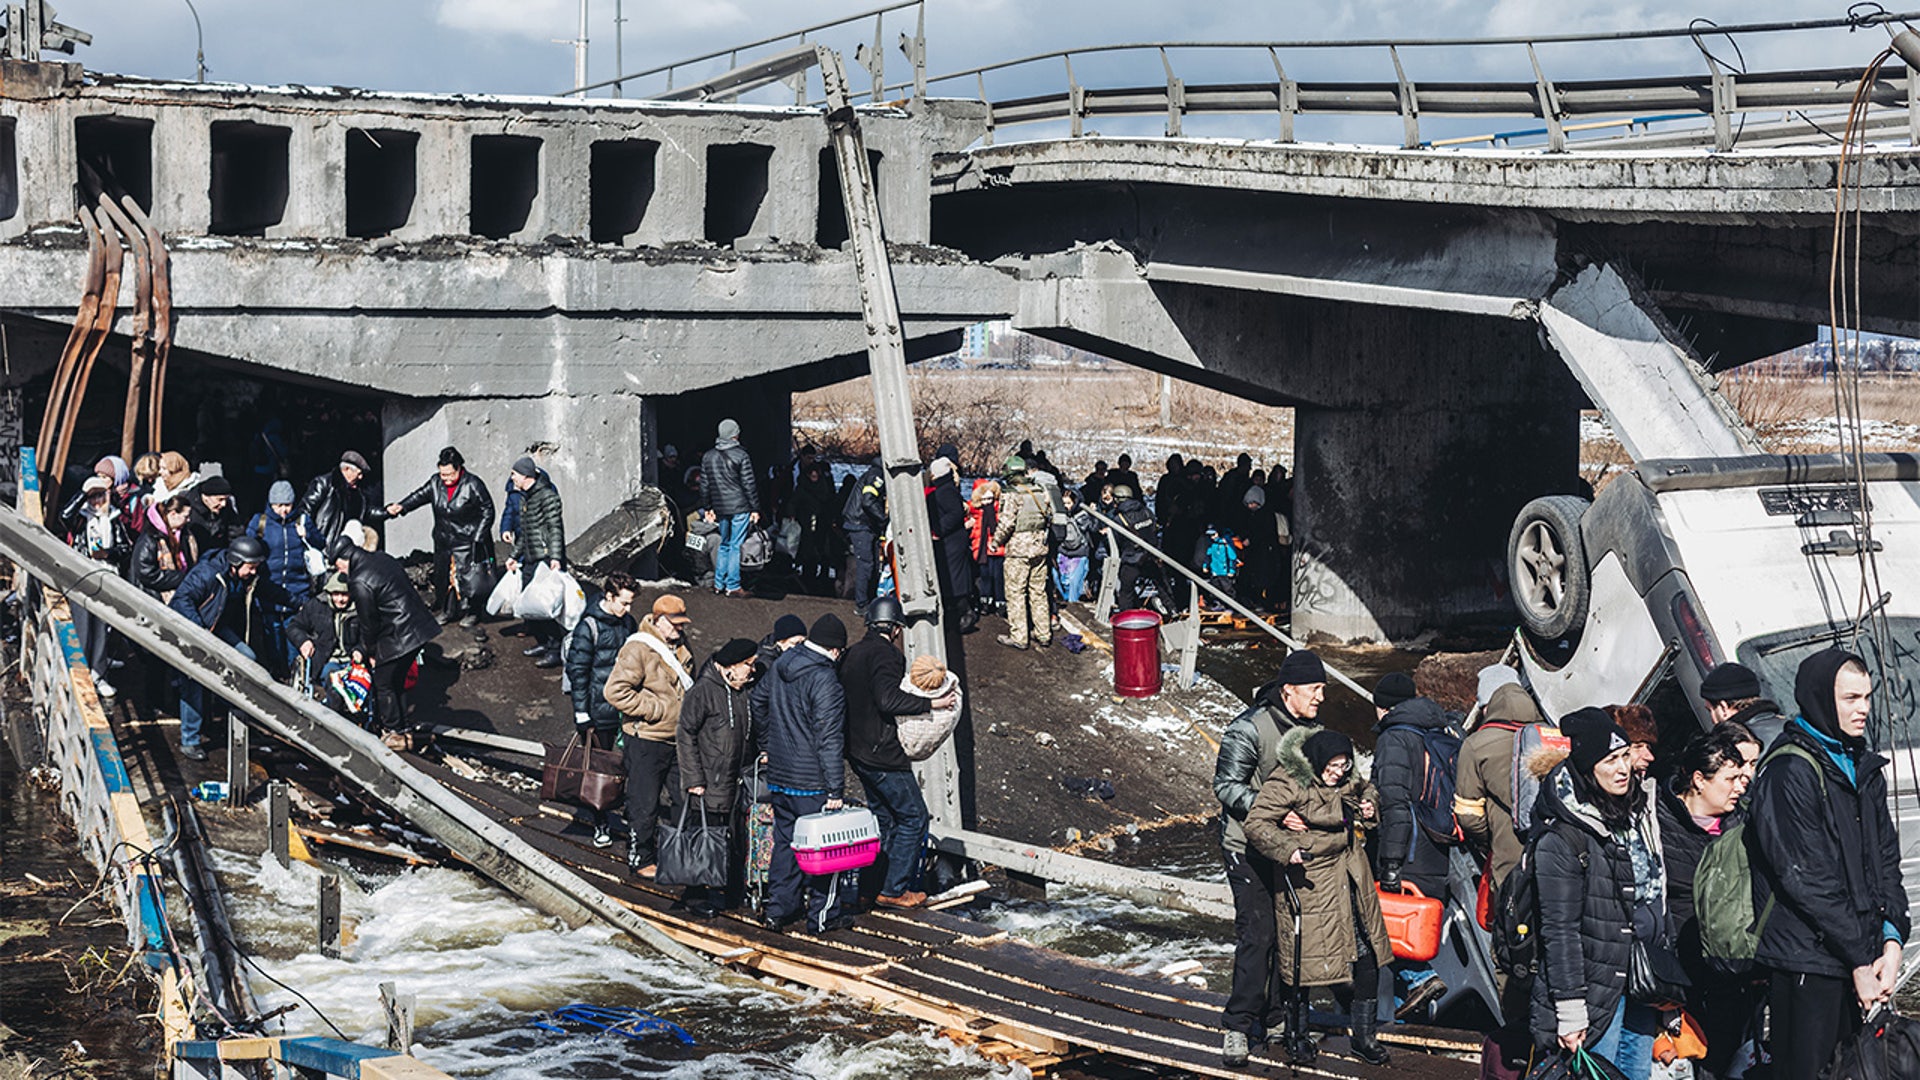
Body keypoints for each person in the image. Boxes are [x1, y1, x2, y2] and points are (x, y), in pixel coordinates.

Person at [1749, 649, 1908, 1077]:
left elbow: (1886, 862)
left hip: (1864, 955)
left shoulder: (1862, 765)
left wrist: (1891, 940)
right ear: (1821, 698)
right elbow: (1805, 878)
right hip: (1809, 960)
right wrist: (1859, 960)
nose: (1864, 709)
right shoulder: (1789, 769)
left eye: (1868, 697)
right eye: (1851, 698)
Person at [1244, 727, 1393, 1067]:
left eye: (1343, 766)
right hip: (1309, 881)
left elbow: (1366, 787)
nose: (1337, 772)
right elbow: (1256, 824)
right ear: (1316, 761)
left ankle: (1364, 1038)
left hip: (1350, 879)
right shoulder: (1288, 782)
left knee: (1367, 957)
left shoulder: (1346, 780)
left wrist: (1370, 804)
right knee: (1303, 965)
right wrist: (1287, 849)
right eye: (1333, 766)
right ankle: (1297, 1035)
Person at [1528, 708, 1664, 1080]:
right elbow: (1560, 930)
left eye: (1624, 757)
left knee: (1634, 1073)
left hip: (1637, 975)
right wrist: (1570, 1011)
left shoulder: (1632, 814)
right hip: (1592, 989)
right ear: (1588, 768)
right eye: (1610, 760)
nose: (1622, 769)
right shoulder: (1561, 836)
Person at [1211, 648, 1326, 1065]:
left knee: (1290, 935)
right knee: (1256, 937)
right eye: (1314, 689)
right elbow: (1225, 787)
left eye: (1322, 690)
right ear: (1289, 689)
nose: (1320, 698)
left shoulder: (1315, 731)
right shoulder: (1249, 729)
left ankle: (1278, 1017)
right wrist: (1276, 809)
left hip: (1291, 849)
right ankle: (1238, 1025)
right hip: (1246, 847)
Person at [840, 597, 957, 909]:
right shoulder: (886, 655)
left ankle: (869, 888)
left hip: (857, 751)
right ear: (894, 629)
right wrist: (931, 704)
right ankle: (893, 889)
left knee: (884, 819)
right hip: (883, 754)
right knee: (914, 817)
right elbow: (888, 700)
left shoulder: (853, 652)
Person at [1655, 725, 1754, 1080]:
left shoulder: (1742, 821)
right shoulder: (1658, 823)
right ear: (1699, 780)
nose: (1740, 786)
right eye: (1730, 779)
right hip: (1681, 975)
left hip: (1737, 973)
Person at [1368, 671, 1457, 1018]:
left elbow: (1395, 805)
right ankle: (1413, 1013)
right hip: (1438, 848)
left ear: (1383, 707)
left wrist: (1390, 862)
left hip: (1407, 850)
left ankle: (1420, 979)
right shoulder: (1441, 731)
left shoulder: (1395, 738)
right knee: (1415, 931)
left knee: (1383, 923)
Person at [758, 613, 853, 934]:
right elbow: (829, 738)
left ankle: (777, 910)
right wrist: (836, 789)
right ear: (836, 650)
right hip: (811, 780)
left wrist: (767, 743)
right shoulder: (825, 680)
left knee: (785, 842)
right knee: (824, 849)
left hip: (780, 774)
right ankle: (823, 917)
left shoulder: (782, 664)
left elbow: (758, 702)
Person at [169, 537, 288, 760]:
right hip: (196, 633)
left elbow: (269, 591)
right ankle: (190, 740)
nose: (253, 572)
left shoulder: (246, 578)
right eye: (251, 567)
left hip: (218, 628)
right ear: (236, 561)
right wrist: (199, 630)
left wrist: (298, 601)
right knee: (193, 683)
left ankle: (227, 713)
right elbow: (182, 599)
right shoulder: (206, 573)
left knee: (247, 658)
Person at [603, 594, 694, 879]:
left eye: (682, 624)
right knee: (645, 803)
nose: (680, 629)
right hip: (646, 738)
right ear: (658, 620)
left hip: (677, 737)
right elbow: (614, 691)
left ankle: (677, 855)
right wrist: (654, 710)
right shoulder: (638, 648)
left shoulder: (681, 646)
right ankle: (640, 857)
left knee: (683, 800)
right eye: (675, 624)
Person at [676, 636, 760, 917]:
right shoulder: (703, 691)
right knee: (703, 837)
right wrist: (693, 779)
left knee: (732, 837)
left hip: (735, 778)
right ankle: (695, 894)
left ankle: (729, 889)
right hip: (708, 779)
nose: (752, 670)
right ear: (731, 666)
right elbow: (685, 733)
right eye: (748, 664)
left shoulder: (742, 690)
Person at [328, 533, 438, 735]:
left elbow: (369, 623)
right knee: (397, 678)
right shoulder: (382, 557)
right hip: (420, 626)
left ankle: (393, 731)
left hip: (399, 634)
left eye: (338, 566)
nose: (340, 572)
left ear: (344, 559)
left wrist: (370, 651)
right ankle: (403, 724)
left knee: (383, 683)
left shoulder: (359, 581)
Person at [565, 573, 638, 848]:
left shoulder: (627, 622)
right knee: (599, 770)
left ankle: (630, 818)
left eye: (631, 603)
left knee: (630, 767)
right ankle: (601, 822)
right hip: (598, 712)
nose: (628, 609)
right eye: (624, 602)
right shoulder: (588, 628)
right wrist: (582, 712)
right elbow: (578, 672)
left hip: (625, 708)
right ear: (609, 597)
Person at [387, 446, 496, 628]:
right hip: (444, 540)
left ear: (459, 468)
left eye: (449, 475)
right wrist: (402, 507)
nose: (445, 479)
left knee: (469, 579)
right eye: (442, 474)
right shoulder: (436, 482)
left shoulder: (473, 484)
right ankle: (447, 611)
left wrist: (478, 536)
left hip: (467, 541)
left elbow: (488, 511)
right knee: (443, 578)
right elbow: (420, 495)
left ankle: (473, 612)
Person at [62, 475, 130, 696]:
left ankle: (99, 673)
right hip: (82, 575)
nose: (96, 502)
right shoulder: (80, 518)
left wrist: (108, 553)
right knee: (82, 628)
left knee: (102, 628)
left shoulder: (114, 518)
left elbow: (125, 548)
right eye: (92, 497)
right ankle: (79, 674)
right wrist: (83, 493)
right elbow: (65, 515)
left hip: (107, 575)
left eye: (100, 496)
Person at [504, 456, 567, 666]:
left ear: (525, 476)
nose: (511, 477)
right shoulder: (525, 497)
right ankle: (543, 643)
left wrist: (556, 558)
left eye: (514, 474)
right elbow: (526, 532)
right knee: (531, 604)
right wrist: (514, 556)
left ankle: (556, 649)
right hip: (531, 558)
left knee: (546, 605)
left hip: (546, 559)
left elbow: (555, 528)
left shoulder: (547, 496)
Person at [993, 456, 1052, 651]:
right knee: (1038, 592)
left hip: (1018, 551)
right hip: (1039, 548)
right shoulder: (1039, 490)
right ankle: (1043, 632)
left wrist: (996, 542)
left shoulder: (1011, 494)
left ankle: (1019, 636)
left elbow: (1007, 523)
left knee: (1016, 593)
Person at [700, 418, 760, 598]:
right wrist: (755, 508)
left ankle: (719, 584)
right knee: (735, 545)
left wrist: (707, 506)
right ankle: (733, 585)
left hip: (720, 508)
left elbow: (705, 485)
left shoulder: (708, 456)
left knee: (724, 544)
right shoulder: (741, 455)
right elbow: (749, 484)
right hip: (740, 506)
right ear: (735, 434)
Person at [286, 573, 359, 713]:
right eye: (336, 594)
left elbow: (368, 636)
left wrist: (360, 650)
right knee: (333, 679)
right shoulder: (316, 606)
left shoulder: (359, 610)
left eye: (344, 595)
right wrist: (304, 641)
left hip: (353, 661)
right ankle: (335, 717)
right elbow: (293, 626)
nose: (340, 599)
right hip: (328, 660)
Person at [925, 448, 975, 631]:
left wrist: (938, 530)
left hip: (951, 542)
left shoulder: (944, 491)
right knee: (952, 578)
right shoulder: (948, 489)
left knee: (953, 579)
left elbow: (954, 514)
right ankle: (958, 614)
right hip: (952, 541)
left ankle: (964, 614)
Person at [297, 450, 383, 548]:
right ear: (346, 469)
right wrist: (313, 538)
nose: (360, 477)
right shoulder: (324, 483)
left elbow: (366, 512)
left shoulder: (357, 495)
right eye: (358, 473)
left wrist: (387, 511)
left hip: (343, 552)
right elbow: (304, 512)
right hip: (321, 546)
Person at [1699, 661, 1785, 748]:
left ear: (1723, 708)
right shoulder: (1789, 727)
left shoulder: (1732, 747)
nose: (1713, 720)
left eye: (1710, 710)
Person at [840, 459, 887, 613]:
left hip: (864, 524)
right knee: (866, 564)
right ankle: (862, 604)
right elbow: (868, 501)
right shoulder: (877, 475)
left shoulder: (873, 473)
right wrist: (883, 519)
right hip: (860, 524)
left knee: (871, 564)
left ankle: (868, 600)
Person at [1110, 483, 1160, 610]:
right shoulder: (1146, 511)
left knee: (1126, 591)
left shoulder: (1119, 519)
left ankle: (1126, 616)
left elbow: (1117, 540)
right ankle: (1172, 609)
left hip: (1131, 558)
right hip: (1152, 555)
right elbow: (1154, 530)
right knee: (1162, 583)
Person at [1052, 487, 1095, 603]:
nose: (1066, 506)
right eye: (1063, 503)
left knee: (1074, 584)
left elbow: (1093, 528)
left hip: (1079, 553)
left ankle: (1072, 604)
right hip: (1063, 552)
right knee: (1061, 580)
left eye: (1068, 503)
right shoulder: (1059, 516)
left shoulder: (1083, 516)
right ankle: (1066, 600)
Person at [186, 474, 242, 554]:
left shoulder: (227, 508)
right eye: (220, 499)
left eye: (226, 499)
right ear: (205, 497)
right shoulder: (187, 506)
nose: (223, 504)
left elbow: (235, 532)